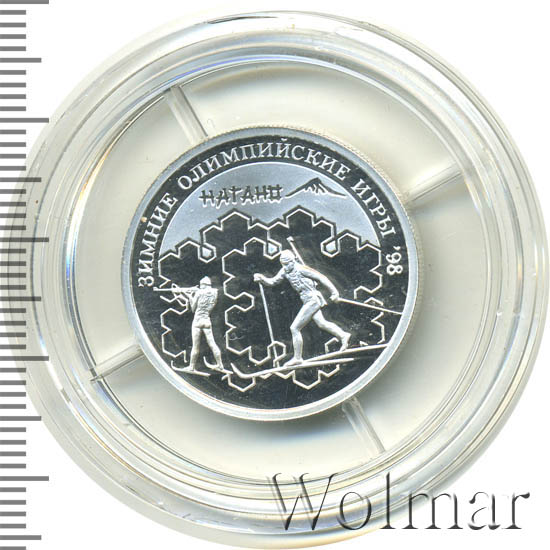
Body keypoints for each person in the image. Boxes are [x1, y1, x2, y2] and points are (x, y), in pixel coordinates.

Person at [254, 250, 350, 365]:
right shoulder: (285, 270)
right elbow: (273, 282)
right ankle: (343, 335)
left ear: (293, 261)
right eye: (283, 264)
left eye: (287, 264)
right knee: (322, 323)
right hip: (306, 299)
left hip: (312, 299)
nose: (285, 267)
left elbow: (322, 278)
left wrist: (334, 292)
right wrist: (261, 278)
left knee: (294, 328)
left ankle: (298, 358)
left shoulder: (301, 269)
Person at [176, 276, 224, 373]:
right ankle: (220, 365)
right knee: (213, 344)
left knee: (195, 346)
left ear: (203, 284)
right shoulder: (215, 293)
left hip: (197, 321)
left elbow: (193, 309)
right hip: (207, 320)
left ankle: (191, 367)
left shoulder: (199, 293)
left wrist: (190, 296)